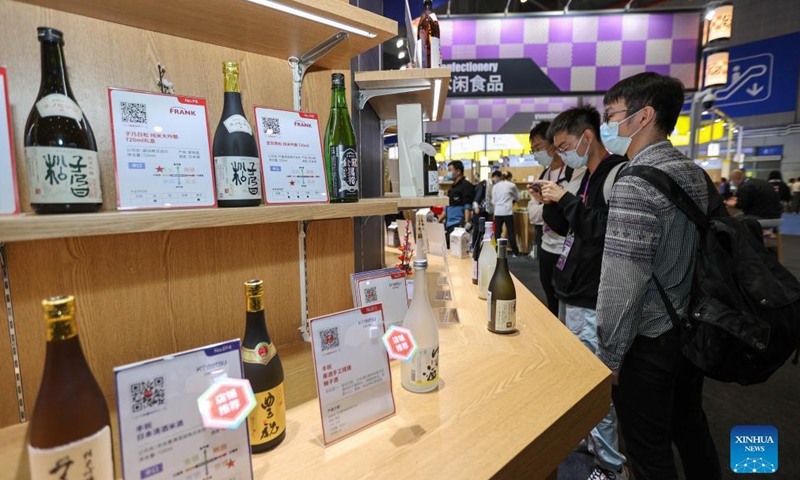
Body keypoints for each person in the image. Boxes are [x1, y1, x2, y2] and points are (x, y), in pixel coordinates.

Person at [596, 72, 721, 480]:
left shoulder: (635, 182)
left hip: (650, 340)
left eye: (612, 114)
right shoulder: (693, 172)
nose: (608, 124)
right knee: (690, 428)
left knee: (648, 449)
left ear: (643, 115)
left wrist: (610, 354)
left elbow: (622, 282)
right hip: (694, 328)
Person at [536, 105, 629, 480]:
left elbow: (605, 231)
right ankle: (591, 443)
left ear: (587, 137)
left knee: (595, 388)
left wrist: (566, 200)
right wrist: (553, 203)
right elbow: (572, 229)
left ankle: (609, 465)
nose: (562, 153)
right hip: (573, 290)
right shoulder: (584, 176)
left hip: (593, 297)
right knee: (580, 380)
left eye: (565, 145)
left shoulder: (615, 174)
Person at [526, 121, 578, 316]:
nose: (536, 153)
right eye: (533, 150)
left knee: (567, 302)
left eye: (538, 147)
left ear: (553, 143)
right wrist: (551, 205)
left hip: (567, 248)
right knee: (550, 299)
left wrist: (548, 205)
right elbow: (533, 214)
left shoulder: (574, 173)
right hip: (547, 247)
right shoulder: (544, 175)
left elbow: (568, 214)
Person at [443, 160, 474, 248]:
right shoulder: (452, 187)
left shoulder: (466, 186)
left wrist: (465, 227)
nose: (448, 173)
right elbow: (447, 207)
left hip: (458, 225)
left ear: (458, 171)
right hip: (449, 225)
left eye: (450, 170)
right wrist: (438, 221)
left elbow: (467, 207)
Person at [491, 170, 520, 256]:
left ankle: (497, 251)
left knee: (497, 232)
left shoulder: (496, 186)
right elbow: (517, 197)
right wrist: (512, 200)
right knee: (511, 232)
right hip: (507, 211)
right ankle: (515, 252)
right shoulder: (511, 185)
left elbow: (493, 201)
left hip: (498, 211)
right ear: (510, 177)